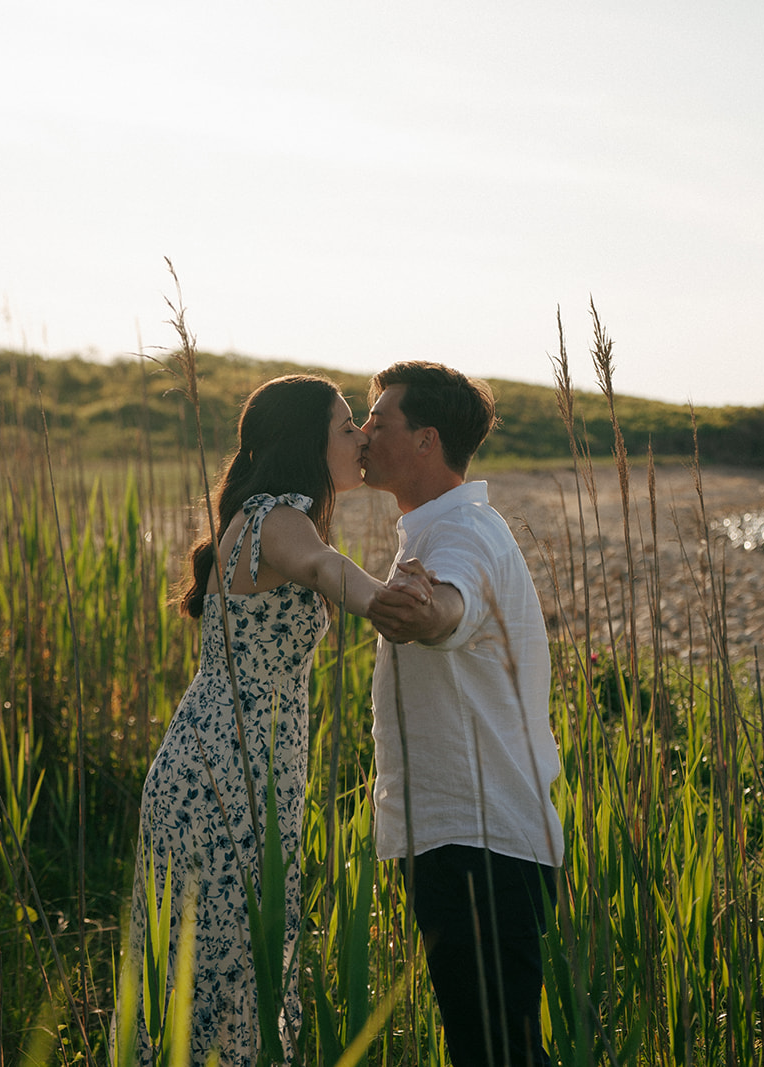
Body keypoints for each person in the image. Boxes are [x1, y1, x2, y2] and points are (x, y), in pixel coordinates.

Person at [125, 374, 432, 1067]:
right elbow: (325, 567)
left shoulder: (257, 515)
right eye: (346, 426)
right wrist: (386, 600)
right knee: (226, 974)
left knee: (198, 975)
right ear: (307, 441)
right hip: (228, 774)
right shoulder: (281, 520)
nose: (360, 439)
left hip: (215, 758)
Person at [362, 361, 566, 1067]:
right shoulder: (434, 530)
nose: (363, 432)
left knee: (497, 1054)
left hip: (483, 845)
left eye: (378, 420)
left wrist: (425, 610)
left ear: (426, 440)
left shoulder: (465, 533)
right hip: (472, 841)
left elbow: (453, 606)